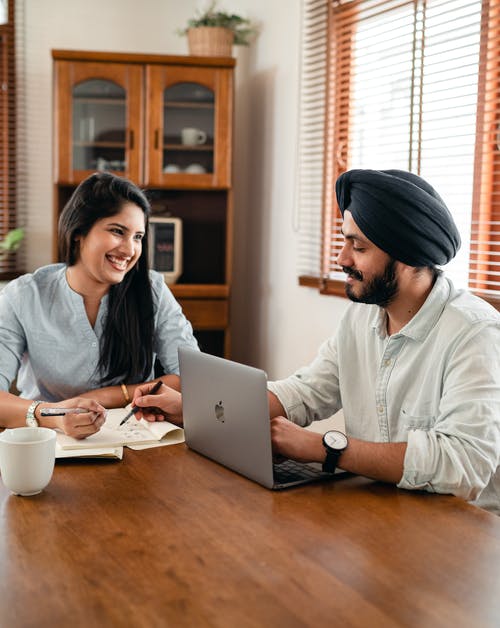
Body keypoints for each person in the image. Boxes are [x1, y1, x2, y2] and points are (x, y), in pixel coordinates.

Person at [131, 169, 500, 515]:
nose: (341, 258)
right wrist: (194, 408)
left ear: (405, 255)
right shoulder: (361, 317)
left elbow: (463, 464)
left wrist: (325, 449)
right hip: (383, 511)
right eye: (344, 241)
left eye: (358, 247)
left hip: (462, 533)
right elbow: (306, 392)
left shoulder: (474, 333)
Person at [0, 172, 198, 438]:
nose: (129, 250)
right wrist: (53, 416)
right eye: (118, 231)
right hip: (46, 441)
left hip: (136, 441)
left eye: (138, 237)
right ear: (79, 231)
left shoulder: (152, 289)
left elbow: (192, 377)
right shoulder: (24, 296)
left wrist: (103, 396)